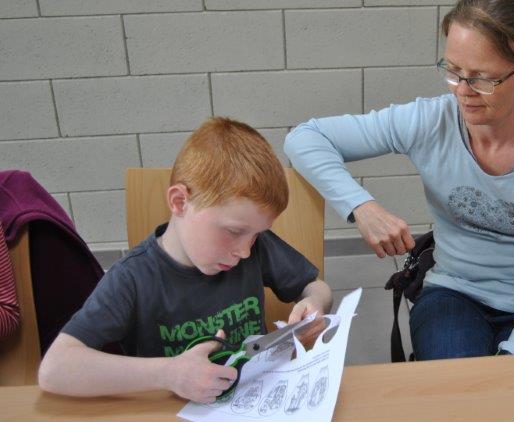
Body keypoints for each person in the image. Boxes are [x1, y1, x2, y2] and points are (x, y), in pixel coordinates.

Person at [285, 0, 514, 359]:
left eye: (482, 78)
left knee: (509, 393)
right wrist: (361, 206)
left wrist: (511, 358)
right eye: (453, 70)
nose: (462, 90)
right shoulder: (431, 121)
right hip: (454, 291)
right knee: (454, 386)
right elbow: (304, 138)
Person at [39, 118, 333, 403]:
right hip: (170, 421)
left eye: (256, 235)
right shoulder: (133, 278)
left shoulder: (256, 248)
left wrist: (315, 302)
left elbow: (314, 286)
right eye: (233, 232)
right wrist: (168, 374)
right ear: (180, 202)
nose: (245, 251)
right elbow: (55, 369)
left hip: (252, 404)